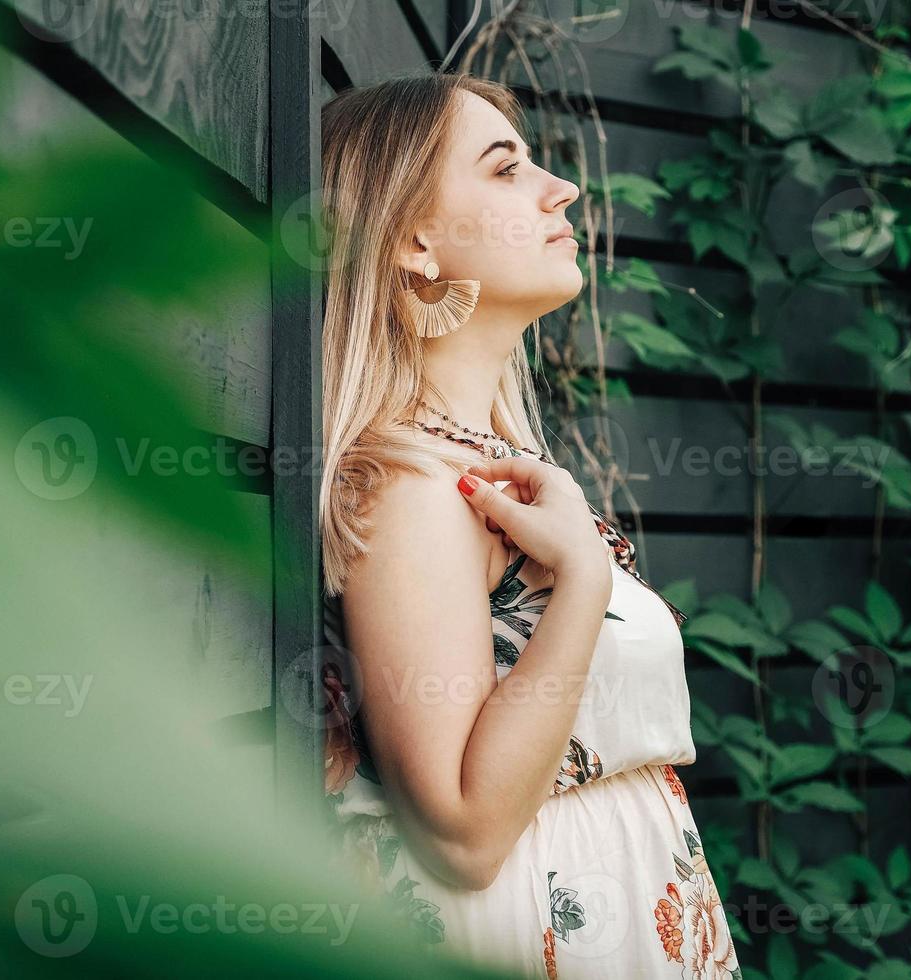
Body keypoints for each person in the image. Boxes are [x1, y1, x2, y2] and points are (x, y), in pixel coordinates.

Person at [317, 71, 742, 979]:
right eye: (506, 169)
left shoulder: (483, 462)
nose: (564, 189)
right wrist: (584, 581)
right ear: (413, 241)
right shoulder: (409, 488)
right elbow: (462, 835)